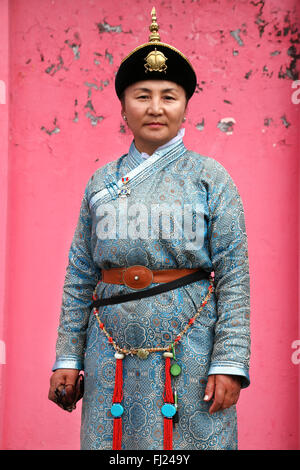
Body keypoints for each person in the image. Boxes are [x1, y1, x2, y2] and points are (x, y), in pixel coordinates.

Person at [48, 8, 250, 450]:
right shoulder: (101, 183)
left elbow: (234, 277)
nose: (156, 108)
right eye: (142, 95)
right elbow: (80, 274)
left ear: (185, 106)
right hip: (109, 349)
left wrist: (230, 362)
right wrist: (67, 356)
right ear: (122, 105)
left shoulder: (211, 179)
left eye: (169, 96)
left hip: (192, 348)